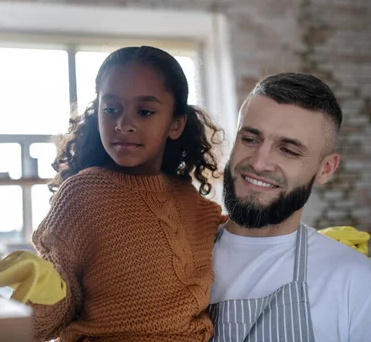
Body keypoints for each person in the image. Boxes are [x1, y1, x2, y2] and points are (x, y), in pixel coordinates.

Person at [30, 46, 225, 341]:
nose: (123, 125)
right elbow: (50, 312)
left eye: (144, 111)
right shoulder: (83, 195)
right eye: (111, 109)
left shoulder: (200, 210)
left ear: (176, 123)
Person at [209, 73, 371, 341]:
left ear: (325, 169)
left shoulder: (358, 285)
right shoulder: (177, 257)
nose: (259, 163)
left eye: (288, 150)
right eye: (251, 139)